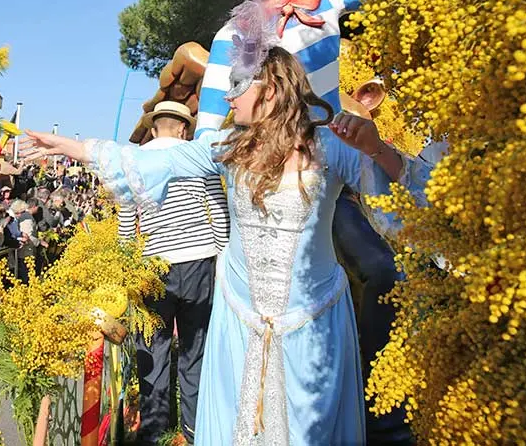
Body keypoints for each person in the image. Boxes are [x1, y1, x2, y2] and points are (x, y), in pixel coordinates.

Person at [22, 31, 431, 443]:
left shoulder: (333, 146)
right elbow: (150, 158)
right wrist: (68, 146)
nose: (228, 98)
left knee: (313, 426)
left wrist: (377, 148)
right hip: (240, 320)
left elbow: (414, 201)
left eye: (238, 86)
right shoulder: (228, 147)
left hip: (315, 321)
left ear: (270, 89)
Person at [195, 0, 411, 442]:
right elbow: (208, 131)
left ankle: (381, 410)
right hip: (260, 180)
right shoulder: (231, 34)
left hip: (324, 171)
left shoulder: (324, 0)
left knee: (384, 269)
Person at [118, 101, 230, 445]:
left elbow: (126, 224)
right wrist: (222, 259)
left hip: (154, 267)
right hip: (199, 262)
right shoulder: (198, 157)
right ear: (184, 128)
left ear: (154, 129)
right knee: (195, 352)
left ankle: (154, 433)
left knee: (152, 352)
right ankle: (194, 431)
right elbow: (219, 212)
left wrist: (127, 267)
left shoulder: (133, 162)